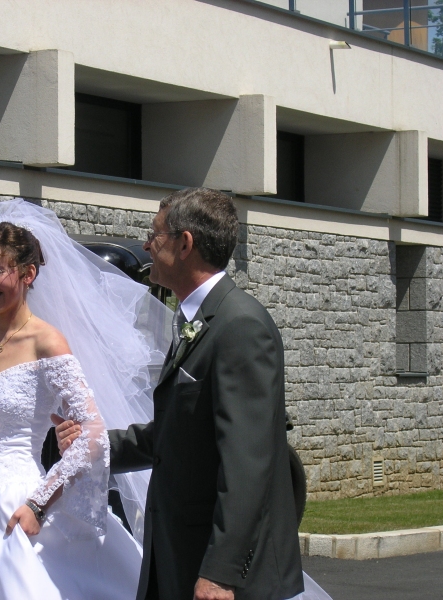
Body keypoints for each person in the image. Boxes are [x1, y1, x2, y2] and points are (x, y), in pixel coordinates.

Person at [56, 188, 334, 600]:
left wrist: (221, 573)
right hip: (177, 554)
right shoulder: (198, 320)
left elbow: (247, 463)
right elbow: (177, 433)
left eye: (156, 234)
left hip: (219, 572)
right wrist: (95, 445)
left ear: (185, 243)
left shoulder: (240, 327)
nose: (148, 245)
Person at [0, 199, 172, 599]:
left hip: (17, 500)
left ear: (28, 274)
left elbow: (92, 433)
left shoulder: (47, 341)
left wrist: (40, 503)